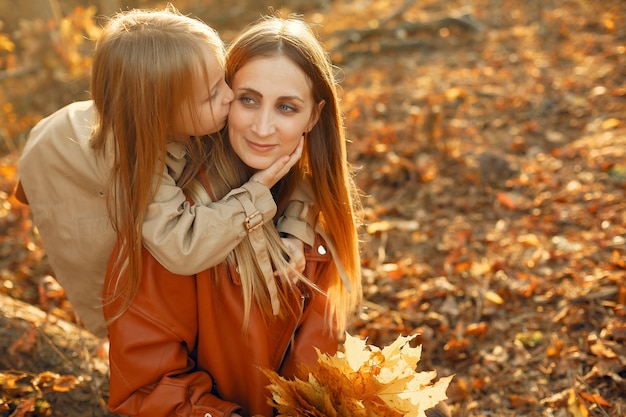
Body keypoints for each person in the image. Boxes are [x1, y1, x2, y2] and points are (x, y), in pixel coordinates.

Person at [104, 15, 363, 417]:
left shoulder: (313, 210)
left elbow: (317, 353)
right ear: (222, 97)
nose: (262, 127)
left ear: (314, 116)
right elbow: (146, 387)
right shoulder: (175, 220)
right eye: (248, 99)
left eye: (286, 107)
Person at [14, 6, 314, 338]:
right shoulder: (133, 163)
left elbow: (293, 168)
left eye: (223, 80)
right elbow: (181, 246)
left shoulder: (200, 104)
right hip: (60, 169)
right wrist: (256, 191)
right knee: (111, 265)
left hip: (60, 136)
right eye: (213, 94)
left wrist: (295, 230)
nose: (230, 95)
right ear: (163, 116)